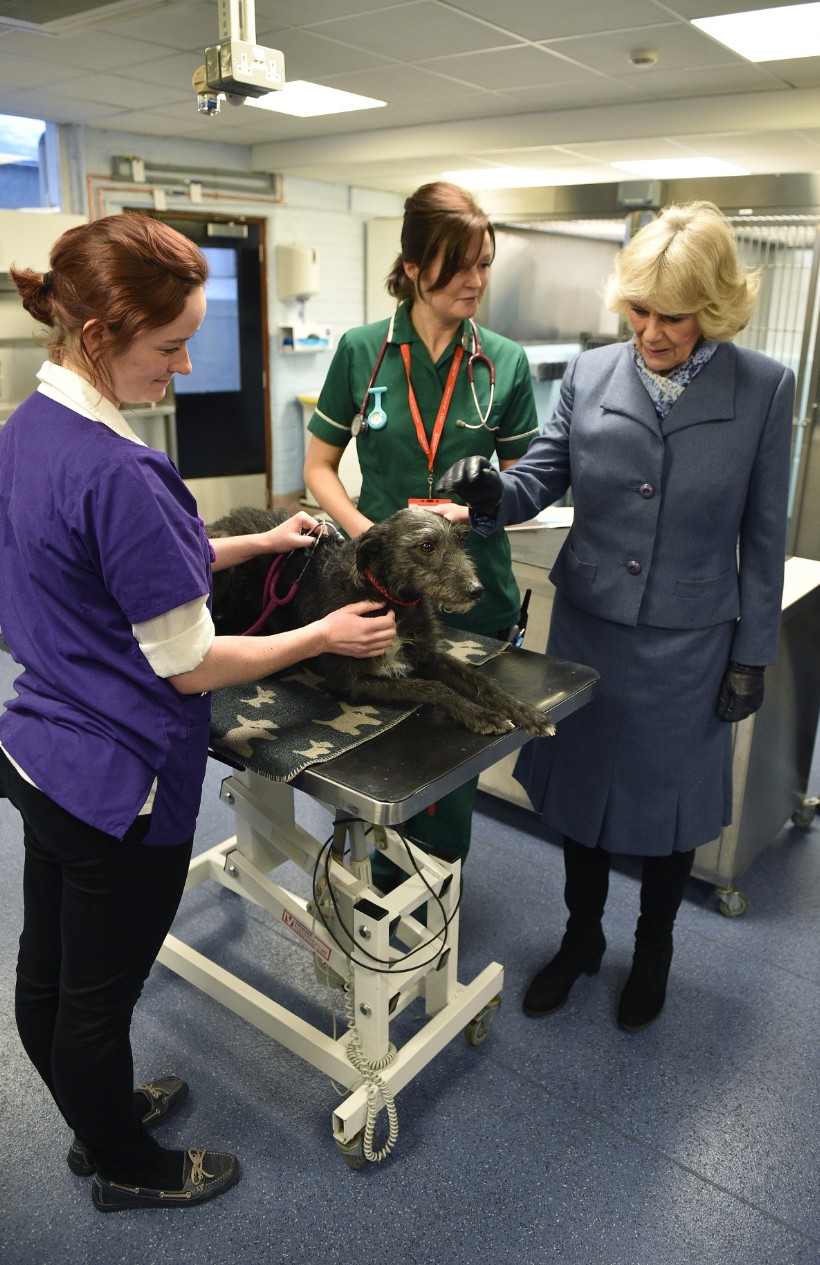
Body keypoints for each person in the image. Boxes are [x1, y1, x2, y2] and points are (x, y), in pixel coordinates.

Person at [0, 213, 396, 1212]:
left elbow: (116, 576)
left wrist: (257, 543)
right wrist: (321, 637)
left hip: (38, 751)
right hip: (115, 782)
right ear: (98, 336)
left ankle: (100, 1119)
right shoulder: (122, 470)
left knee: (48, 974)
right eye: (168, 346)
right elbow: (188, 662)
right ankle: (125, 1164)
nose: (181, 367)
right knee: (95, 1000)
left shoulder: (28, 428)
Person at [435, 201, 794, 1032]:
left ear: (716, 308)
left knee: (668, 811)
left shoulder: (765, 391)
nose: (653, 331)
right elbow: (541, 481)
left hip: (693, 641)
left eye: (675, 316)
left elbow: (765, 538)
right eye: (639, 310)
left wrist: (753, 653)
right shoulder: (593, 376)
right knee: (583, 801)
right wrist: (494, 491)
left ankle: (655, 947)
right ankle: (582, 937)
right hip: (591, 630)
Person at [303, 181, 539, 887]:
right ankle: (377, 892)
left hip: (472, 589)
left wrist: (484, 503)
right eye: (458, 266)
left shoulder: (504, 361)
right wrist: (366, 537)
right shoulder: (362, 350)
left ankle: (430, 910)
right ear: (411, 265)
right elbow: (318, 467)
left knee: (449, 752)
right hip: (377, 589)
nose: (476, 281)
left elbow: (524, 488)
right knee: (373, 750)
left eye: (485, 263)